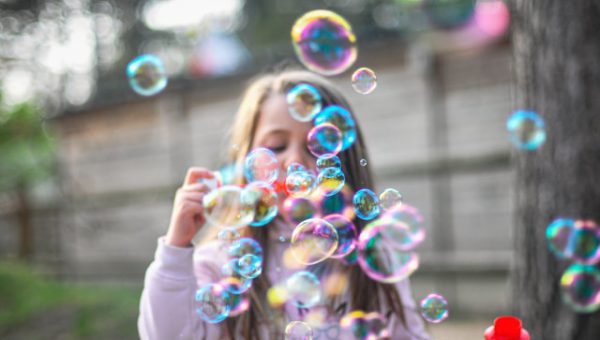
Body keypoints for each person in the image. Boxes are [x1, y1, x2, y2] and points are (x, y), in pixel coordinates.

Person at [138, 69, 430, 339]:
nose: (295, 162)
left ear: (346, 161)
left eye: (319, 147)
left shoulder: (373, 259)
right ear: (248, 162)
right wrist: (176, 250)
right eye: (277, 147)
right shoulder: (219, 262)